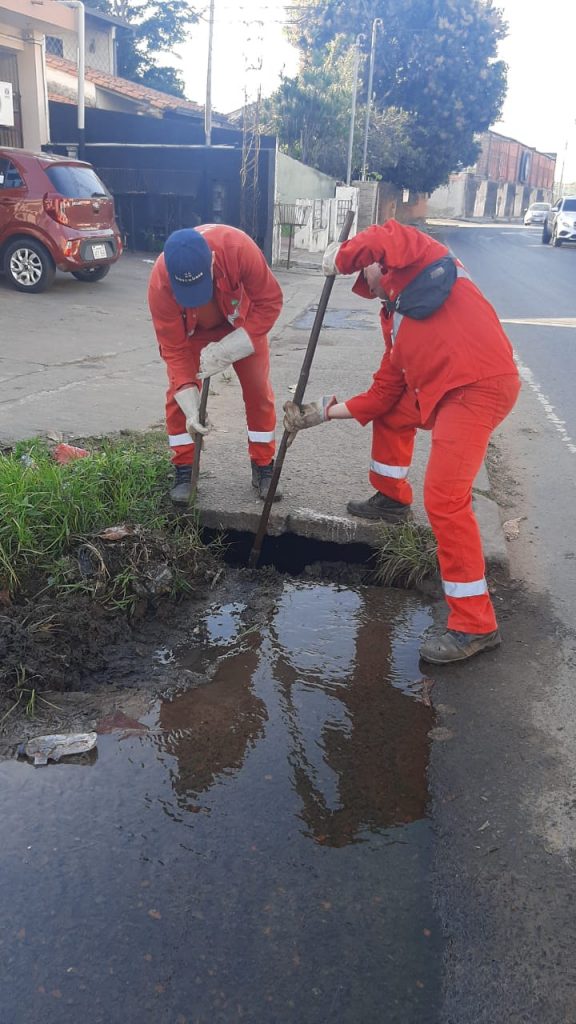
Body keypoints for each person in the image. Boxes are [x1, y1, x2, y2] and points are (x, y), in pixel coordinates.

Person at [283, 220, 520, 665]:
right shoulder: (396, 317)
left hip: (477, 386)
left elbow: (385, 235)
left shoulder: (420, 256)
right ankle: (391, 498)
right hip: (445, 389)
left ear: (377, 263)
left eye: (365, 275)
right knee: (391, 414)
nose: (367, 286)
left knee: (445, 499)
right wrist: (321, 413)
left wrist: (340, 256)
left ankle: (475, 624)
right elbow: (381, 395)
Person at [148, 225, 283, 503]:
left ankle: (263, 466)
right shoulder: (160, 282)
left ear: (211, 260)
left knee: (258, 390)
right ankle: (185, 469)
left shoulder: (239, 248)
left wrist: (232, 347)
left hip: (242, 327)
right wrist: (190, 404)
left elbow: (270, 301)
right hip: (193, 333)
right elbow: (173, 348)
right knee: (178, 399)